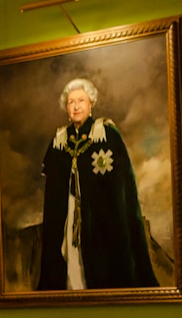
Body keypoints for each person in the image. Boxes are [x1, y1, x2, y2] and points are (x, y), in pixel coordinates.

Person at [37, 77, 158, 291]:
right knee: (70, 257)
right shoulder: (59, 141)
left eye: (81, 101)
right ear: (66, 106)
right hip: (69, 216)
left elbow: (121, 187)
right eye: (71, 102)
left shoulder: (106, 134)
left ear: (90, 103)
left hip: (101, 219)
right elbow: (54, 192)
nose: (76, 107)